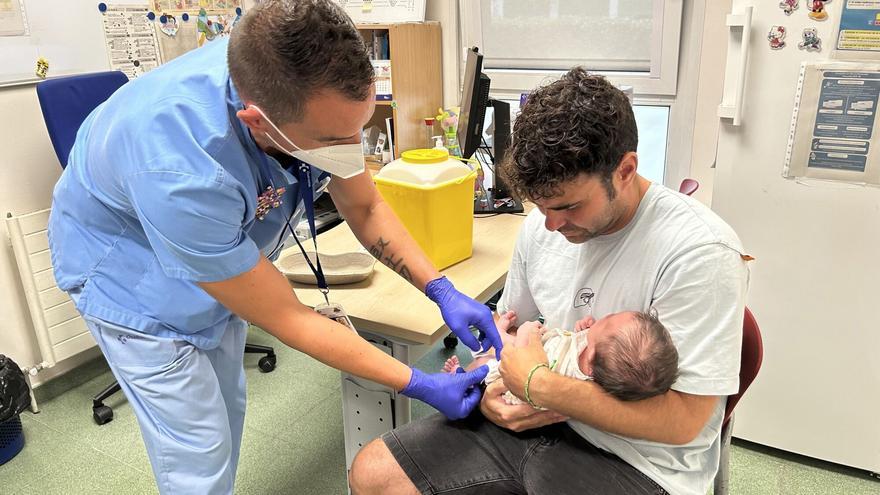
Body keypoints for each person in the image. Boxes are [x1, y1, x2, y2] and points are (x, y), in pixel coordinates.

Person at [46, 1, 501, 493]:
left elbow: (366, 207)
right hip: (132, 282)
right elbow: (290, 318)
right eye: (335, 138)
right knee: (197, 451)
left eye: (359, 126)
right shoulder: (182, 170)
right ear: (257, 121)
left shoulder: (287, 70)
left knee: (227, 410)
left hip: (215, 252)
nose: (351, 147)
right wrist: (419, 383)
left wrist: (441, 289)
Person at [350, 68, 750, 495]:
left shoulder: (700, 251)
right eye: (542, 206)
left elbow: (684, 421)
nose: (553, 225)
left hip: (637, 459)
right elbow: (507, 337)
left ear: (625, 170)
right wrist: (491, 391)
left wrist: (538, 384)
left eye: (569, 206)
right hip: (529, 420)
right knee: (372, 473)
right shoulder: (542, 229)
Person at [443, 310, 679, 405]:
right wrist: (584, 330)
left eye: (608, 320)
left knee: (489, 362)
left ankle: (462, 377)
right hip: (544, 347)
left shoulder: (568, 372)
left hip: (517, 377)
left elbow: (524, 359)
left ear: (590, 358)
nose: (608, 314)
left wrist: (527, 332)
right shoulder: (596, 359)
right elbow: (578, 342)